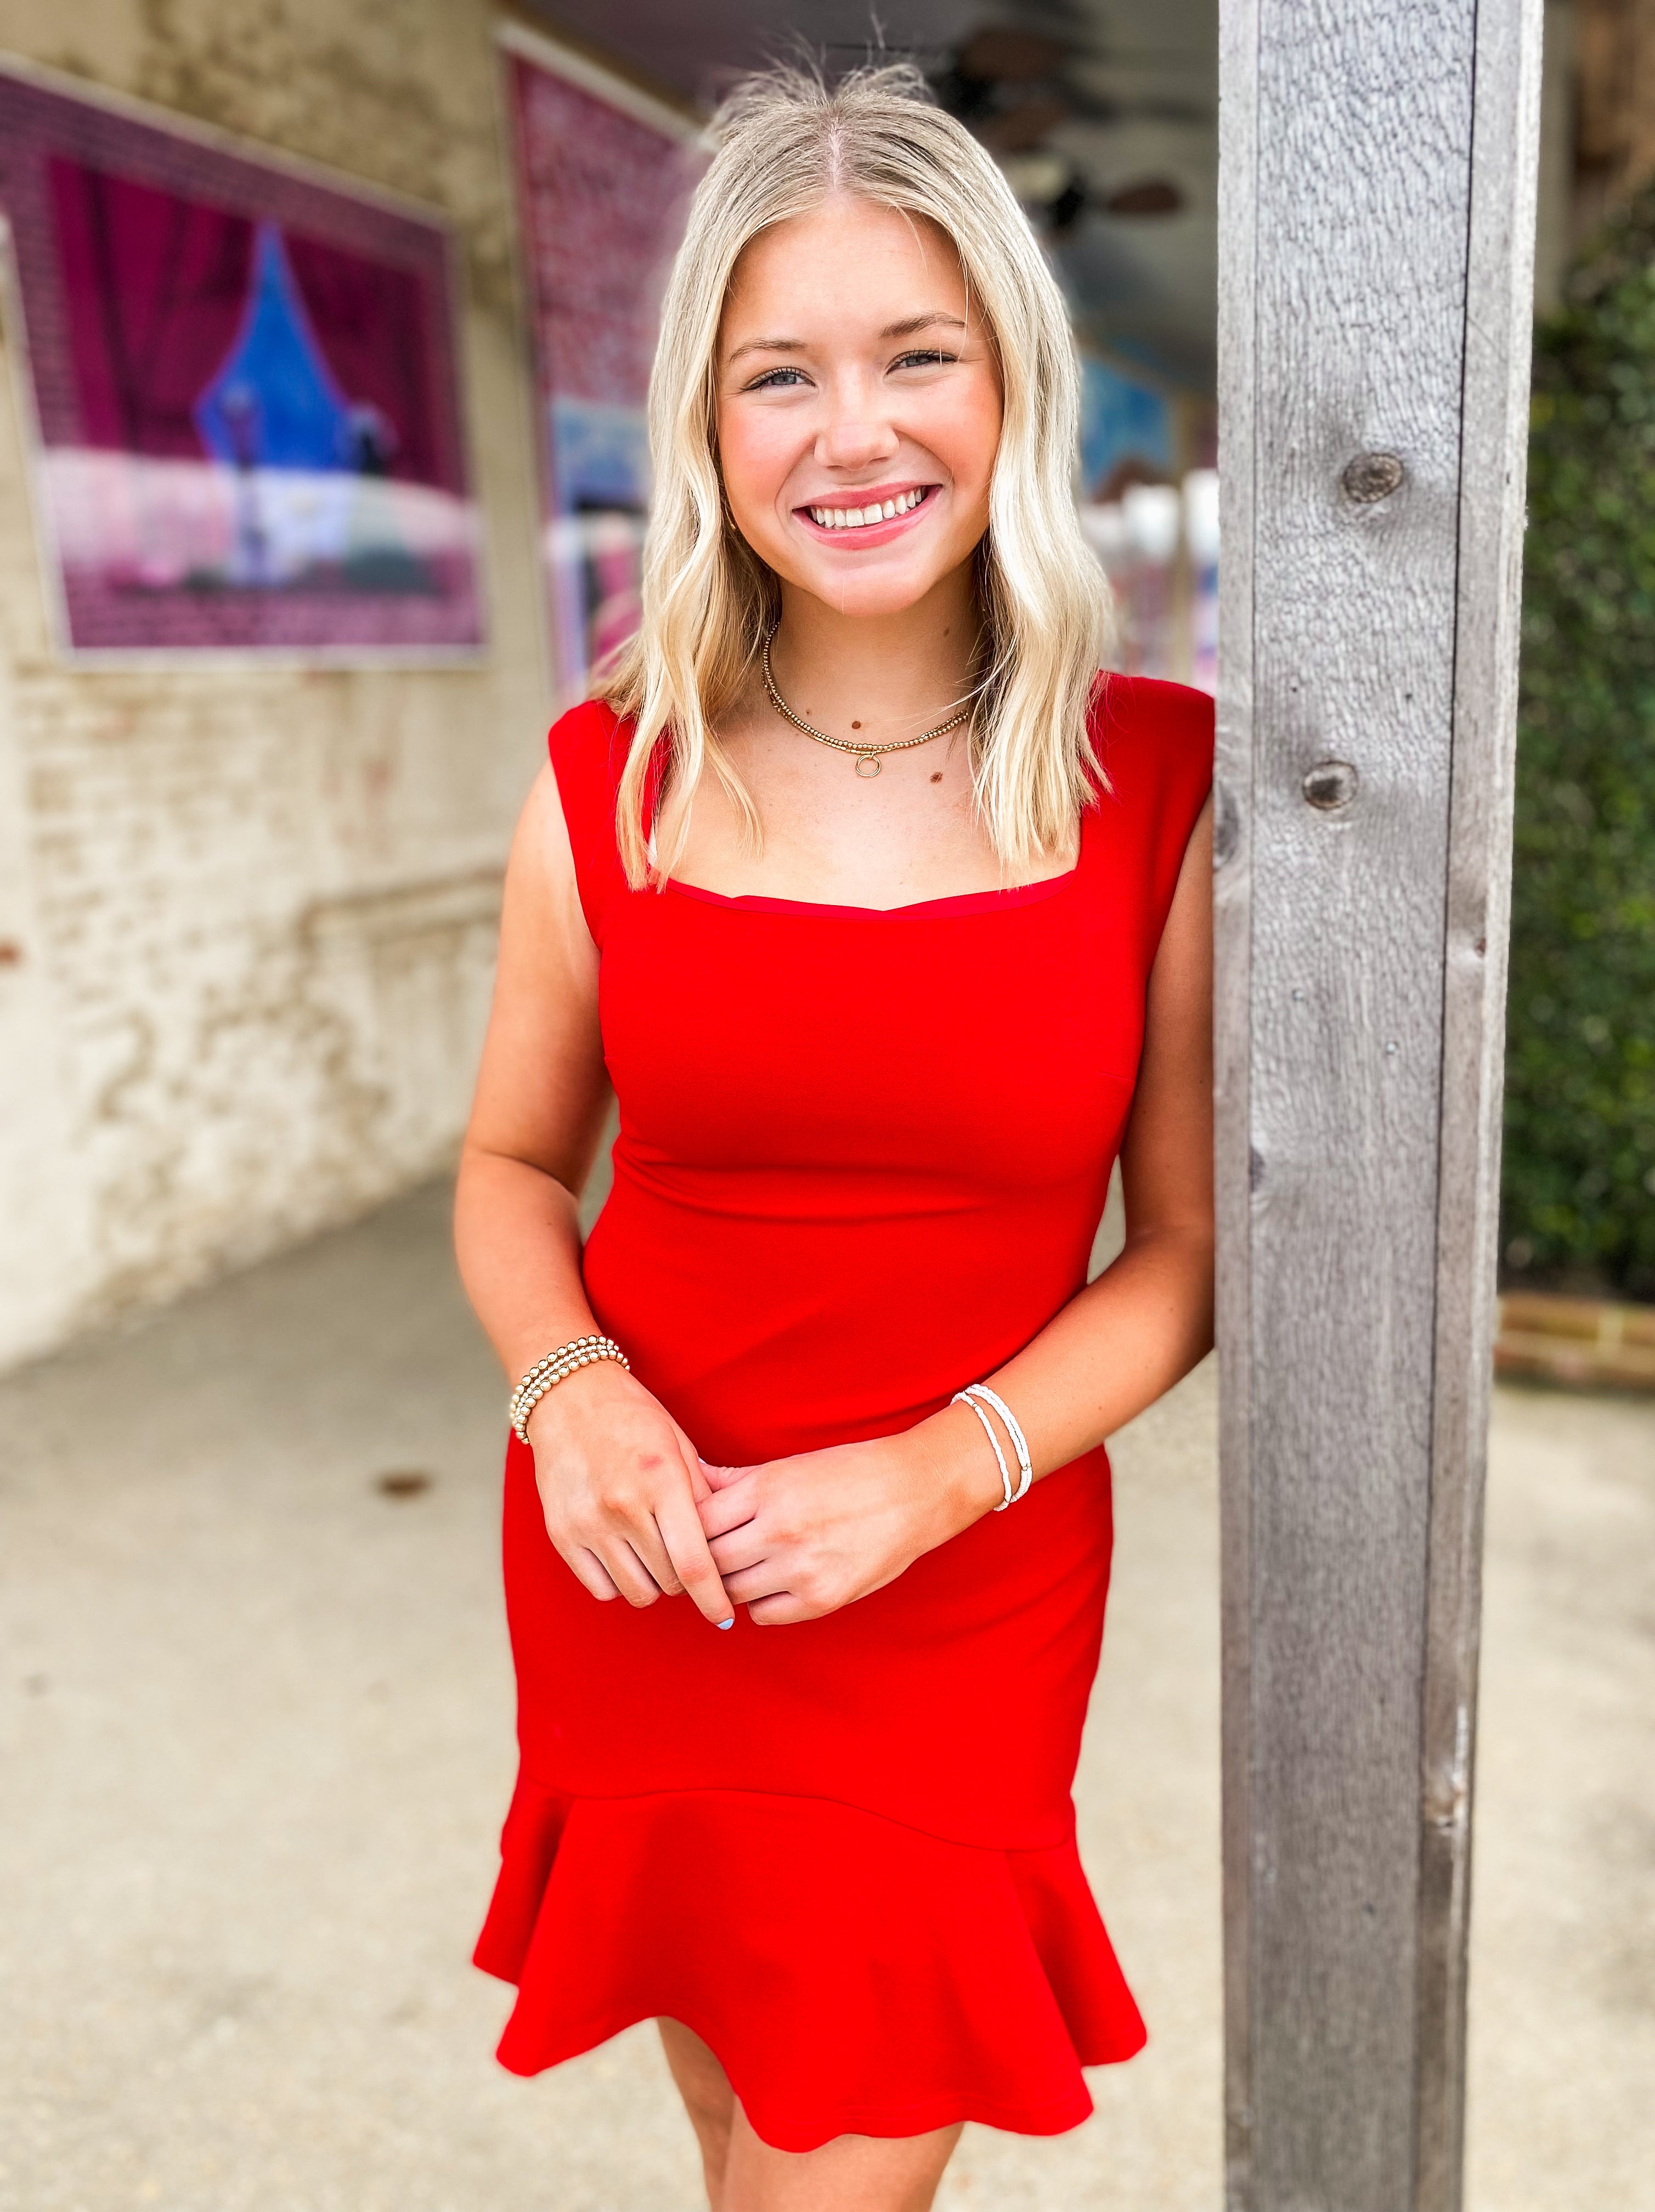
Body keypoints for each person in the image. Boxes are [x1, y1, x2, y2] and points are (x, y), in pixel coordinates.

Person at [454, 63, 1215, 2212]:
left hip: (959, 1598)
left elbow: (1182, 1250)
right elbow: (515, 1168)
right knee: (735, 2124)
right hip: (643, 1568)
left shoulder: (1154, 777)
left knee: (833, 2175)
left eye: (917, 357)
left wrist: (937, 1470)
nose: (853, 433)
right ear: (707, 423)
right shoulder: (609, 768)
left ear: (1012, 384)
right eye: (778, 373)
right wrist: (566, 1387)